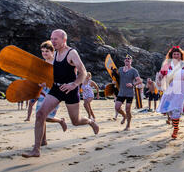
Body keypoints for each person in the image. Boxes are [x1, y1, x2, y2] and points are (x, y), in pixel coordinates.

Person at [22, 30, 99, 158]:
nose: (52, 41)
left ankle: (91, 122)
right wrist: (43, 83)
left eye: (55, 39)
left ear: (64, 40)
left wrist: (74, 84)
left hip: (70, 91)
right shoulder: (55, 53)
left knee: (76, 121)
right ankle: (36, 149)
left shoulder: (71, 53)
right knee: (40, 114)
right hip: (56, 89)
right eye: (51, 38)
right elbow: (51, 71)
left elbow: (83, 72)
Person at [156, 46, 184, 139]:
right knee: (168, 109)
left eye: (177, 54)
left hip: (180, 91)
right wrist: (159, 80)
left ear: (181, 55)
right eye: (174, 54)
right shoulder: (167, 65)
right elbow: (160, 74)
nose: (175, 56)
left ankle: (175, 129)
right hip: (169, 90)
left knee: (176, 109)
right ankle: (173, 122)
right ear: (171, 55)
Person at [115, 54, 142, 131]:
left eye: (129, 59)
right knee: (117, 108)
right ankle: (124, 116)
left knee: (127, 109)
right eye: (126, 58)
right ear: (124, 60)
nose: (127, 59)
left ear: (131, 61)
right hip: (121, 92)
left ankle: (128, 125)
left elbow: (139, 81)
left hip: (130, 93)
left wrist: (133, 84)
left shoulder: (134, 70)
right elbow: (116, 77)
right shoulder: (120, 69)